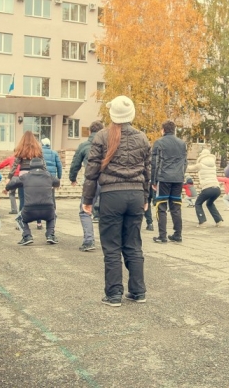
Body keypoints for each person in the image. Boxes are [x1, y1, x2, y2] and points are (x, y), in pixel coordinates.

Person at [82, 95, 150, 307]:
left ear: (112, 115)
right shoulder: (142, 137)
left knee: (111, 246)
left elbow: (91, 170)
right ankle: (138, 291)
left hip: (112, 195)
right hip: (136, 194)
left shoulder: (102, 136)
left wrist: (87, 199)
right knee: (134, 244)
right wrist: (146, 197)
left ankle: (113, 294)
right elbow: (148, 171)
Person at [7, 157, 61, 245]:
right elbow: (57, 182)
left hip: (29, 210)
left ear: (30, 166)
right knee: (53, 216)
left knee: (19, 218)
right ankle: (50, 235)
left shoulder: (25, 177)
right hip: (47, 209)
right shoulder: (48, 175)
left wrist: (7, 188)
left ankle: (27, 236)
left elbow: (12, 184)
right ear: (43, 166)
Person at [69, 120, 105, 251]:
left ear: (90, 132)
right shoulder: (109, 145)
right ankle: (111, 242)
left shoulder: (84, 146)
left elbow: (75, 163)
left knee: (85, 210)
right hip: (108, 181)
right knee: (108, 212)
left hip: (91, 181)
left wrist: (72, 178)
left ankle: (89, 241)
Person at [151, 120, 187, 244]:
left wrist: (153, 180)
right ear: (174, 130)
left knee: (161, 206)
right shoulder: (182, 143)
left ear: (163, 130)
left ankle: (162, 236)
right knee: (176, 207)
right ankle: (178, 234)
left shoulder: (159, 143)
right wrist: (181, 176)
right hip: (178, 178)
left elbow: (155, 163)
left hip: (163, 178)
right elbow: (185, 162)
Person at [11, 131, 44, 228]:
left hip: (23, 177)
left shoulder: (20, 149)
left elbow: (15, 165)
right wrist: (45, 175)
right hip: (35, 175)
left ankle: (20, 222)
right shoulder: (38, 149)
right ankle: (39, 223)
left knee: (22, 200)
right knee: (37, 200)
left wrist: (9, 177)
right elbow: (43, 164)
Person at [187, 149, 223, 227]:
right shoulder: (214, 165)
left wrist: (183, 164)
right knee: (209, 203)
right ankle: (219, 221)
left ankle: (202, 222)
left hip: (207, 188)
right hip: (217, 188)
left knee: (198, 203)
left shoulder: (200, 165)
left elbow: (189, 168)